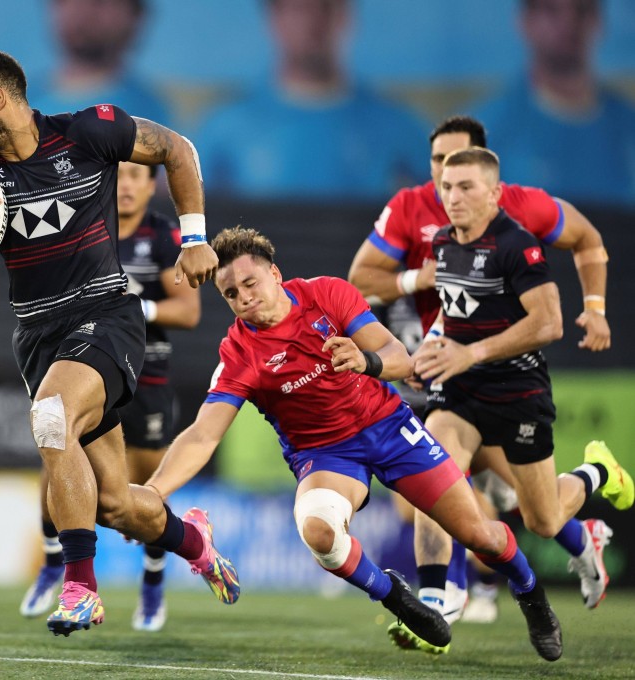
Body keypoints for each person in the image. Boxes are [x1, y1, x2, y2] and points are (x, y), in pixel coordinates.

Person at [0, 50, 236, 636]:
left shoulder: (87, 133)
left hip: (107, 314)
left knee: (52, 416)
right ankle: (195, 542)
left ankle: (80, 588)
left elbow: (177, 149)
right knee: (114, 504)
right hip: (39, 338)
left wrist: (193, 239)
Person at [145, 226, 564, 661]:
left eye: (250, 283)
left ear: (275, 274)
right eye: (231, 294)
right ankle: (395, 597)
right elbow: (203, 434)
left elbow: (400, 358)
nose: (244, 298)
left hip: (389, 427)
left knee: (482, 536)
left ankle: (531, 593)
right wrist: (155, 492)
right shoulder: (239, 353)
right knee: (318, 532)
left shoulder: (327, 294)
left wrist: (367, 360)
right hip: (325, 454)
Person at [347, 114, 615, 623]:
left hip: (513, 383)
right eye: (438, 166)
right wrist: (425, 340)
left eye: (458, 170)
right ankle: (439, 597)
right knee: (434, 477)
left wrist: (596, 308)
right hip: (453, 380)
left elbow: (576, 263)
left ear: (490, 179)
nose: (445, 182)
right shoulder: (431, 226)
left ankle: (592, 492)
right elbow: (428, 301)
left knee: (535, 512)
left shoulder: (519, 226)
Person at [404, 148, 633, 653]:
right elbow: (453, 310)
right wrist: (433, 347)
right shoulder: (443, 242)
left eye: (466, 186)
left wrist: (470, 352)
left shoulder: (517, 244)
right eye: (446, 187)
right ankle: (434, 601)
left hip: (517, 394)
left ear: (494, 193)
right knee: (430, 476)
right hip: (460, 392)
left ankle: (598, 471)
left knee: (542, 520)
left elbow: (549, 323)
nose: (453, 196)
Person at [19, 161, 200, 632]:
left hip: (146, 370)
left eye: (138, 176)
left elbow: (188, 311)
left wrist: (133, 305)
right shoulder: (86, 221)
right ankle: (55, 565)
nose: (127, 186)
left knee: (134, 491)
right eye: (122, 176)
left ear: (152, 186)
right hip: (86, 359)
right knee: (56, 445)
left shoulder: (163, 237)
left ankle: (154, 580)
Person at [195, 0, 428, 200]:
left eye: (326, 7)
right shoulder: (224, 130)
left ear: (347, 15)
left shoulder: (397, 127)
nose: (315, 22)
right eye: (301, 8)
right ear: (274, 18)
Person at [470, 0, 635, 206]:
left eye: (582, 10)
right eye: (551, 10)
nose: (568, 22)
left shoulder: (628, 131)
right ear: (526, 22)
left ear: (598, 21)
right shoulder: (482, 138)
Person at [28, 0, 172, 125]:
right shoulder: (23, 101)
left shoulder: (152, 115)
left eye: (98, 2)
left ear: (134, 15)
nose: (79, 12)